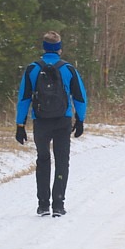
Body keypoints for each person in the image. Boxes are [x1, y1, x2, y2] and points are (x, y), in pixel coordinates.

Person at [15, 31, 87, 217]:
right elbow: (80, 97)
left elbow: (23, 98)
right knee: (62, 160)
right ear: (59, 49)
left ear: (44, 48)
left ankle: (43, 205)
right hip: (63, 120)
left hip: (41, 121)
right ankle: (59, 204)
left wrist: (20, 125)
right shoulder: (68, 69)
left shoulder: (32, 69)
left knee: (43, 159)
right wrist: (80, 119)